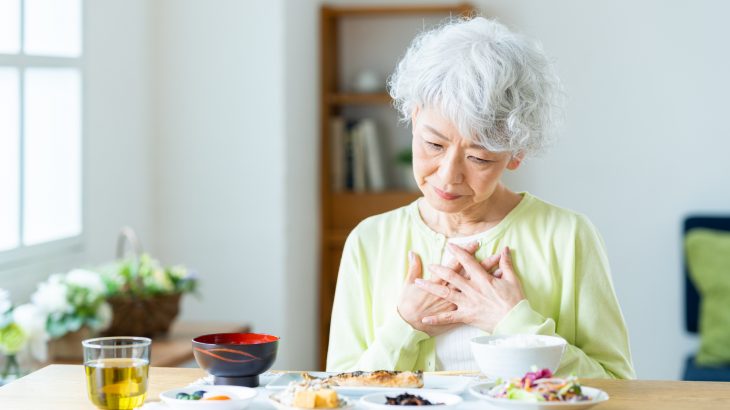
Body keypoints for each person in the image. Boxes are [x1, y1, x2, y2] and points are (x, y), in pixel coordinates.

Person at [326, 17, 635, 379]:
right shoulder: (370, 240)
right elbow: (339, 390)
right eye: (433, 144)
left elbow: (617, 387)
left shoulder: (567, 236)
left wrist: (514, 324)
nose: (447, 175)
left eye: (479, 158)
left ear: (516, 154)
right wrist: (405, 326)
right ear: (414, 117)